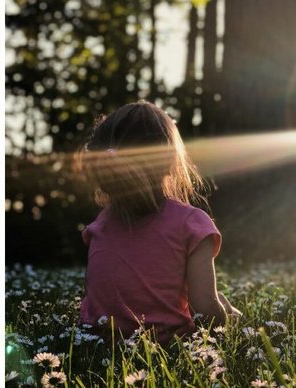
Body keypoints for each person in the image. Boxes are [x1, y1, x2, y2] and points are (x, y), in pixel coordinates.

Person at [78, 100, 241, 344]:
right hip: (167, 346)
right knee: (222, 306)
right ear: (168, 161)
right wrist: (231, 320)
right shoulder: (191, 224)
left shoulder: (99, 226)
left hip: (98, 343)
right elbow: (205, 312)